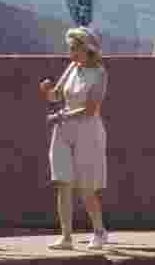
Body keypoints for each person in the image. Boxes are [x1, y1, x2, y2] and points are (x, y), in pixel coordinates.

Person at [39, 27, 109, 250]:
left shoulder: (100, 73)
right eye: (70, 49)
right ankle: (66, 237)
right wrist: (48, 90)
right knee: (63, 182)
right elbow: (56, 96)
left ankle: (99, 231)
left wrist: (61, 115)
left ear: (87, 49)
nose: (70, 54)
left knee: (86, 187)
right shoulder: (72, 67)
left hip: (87, 131)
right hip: (63, 129)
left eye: (74, 49)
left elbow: (90, 109)